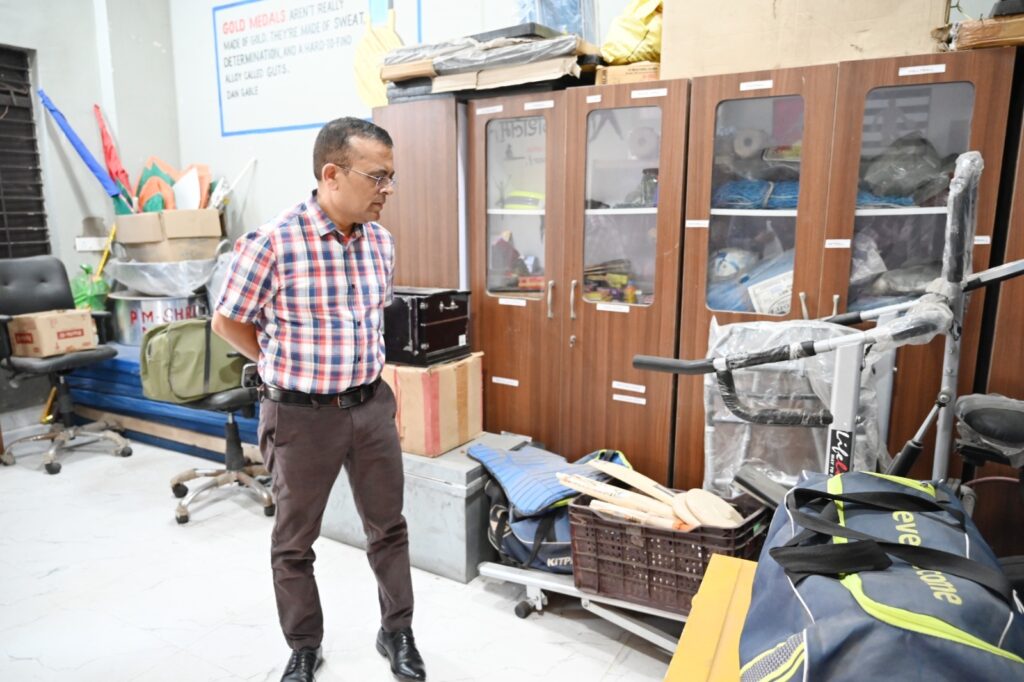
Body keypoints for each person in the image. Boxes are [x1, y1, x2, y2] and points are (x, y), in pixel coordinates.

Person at [212, 117, 426, 682]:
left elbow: (369, 324)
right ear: (332, 174)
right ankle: (305, 645)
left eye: (391, 177)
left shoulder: (380, 243)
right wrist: (277, 362)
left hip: (370, 407)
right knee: (295, 540)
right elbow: (227, 322)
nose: (387, 189)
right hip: (300, 416)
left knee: (389, 528)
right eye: (377, 177)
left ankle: (397, 632)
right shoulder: (272, 243)